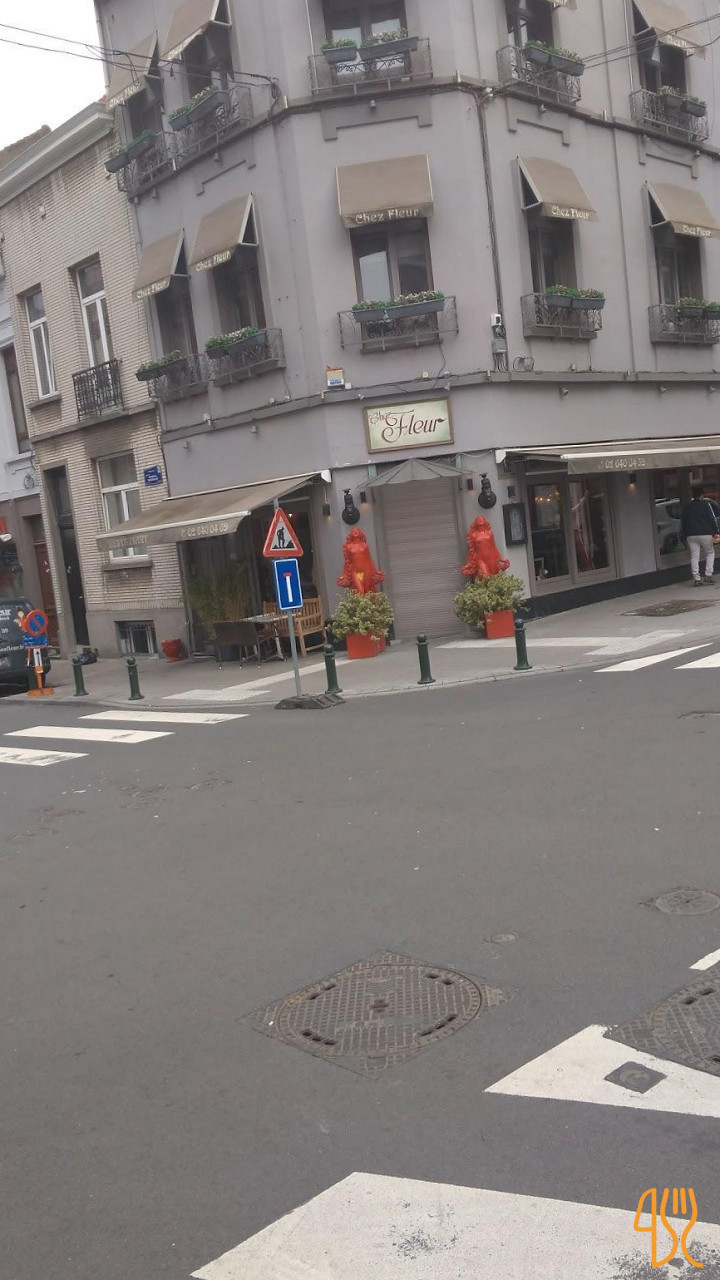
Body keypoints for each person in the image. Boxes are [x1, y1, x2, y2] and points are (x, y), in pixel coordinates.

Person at [681, 486, 720, 584]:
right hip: (705, 534)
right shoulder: (706, 505)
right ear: (702, 495)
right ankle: (708, 575)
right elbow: (712, 518)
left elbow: (683, 522)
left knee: (694, 556)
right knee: (710, 553)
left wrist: (684, 536)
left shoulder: (688, 507)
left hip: (691, 535)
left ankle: (696, 578)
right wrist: (716, 531)